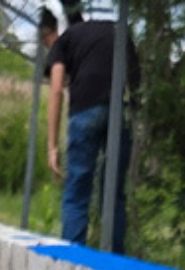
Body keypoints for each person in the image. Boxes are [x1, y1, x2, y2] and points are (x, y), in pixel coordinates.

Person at [43, 8, 138, 251]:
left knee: (77, 190)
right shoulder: (118, 31)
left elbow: (56, 90)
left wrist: (52, 146)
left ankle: (73, 260)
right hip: (119, 110)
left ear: (49, 35)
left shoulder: (64, 40)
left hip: (84, 110)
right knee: (113, 192)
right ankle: (115, 263)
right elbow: (137, 83)